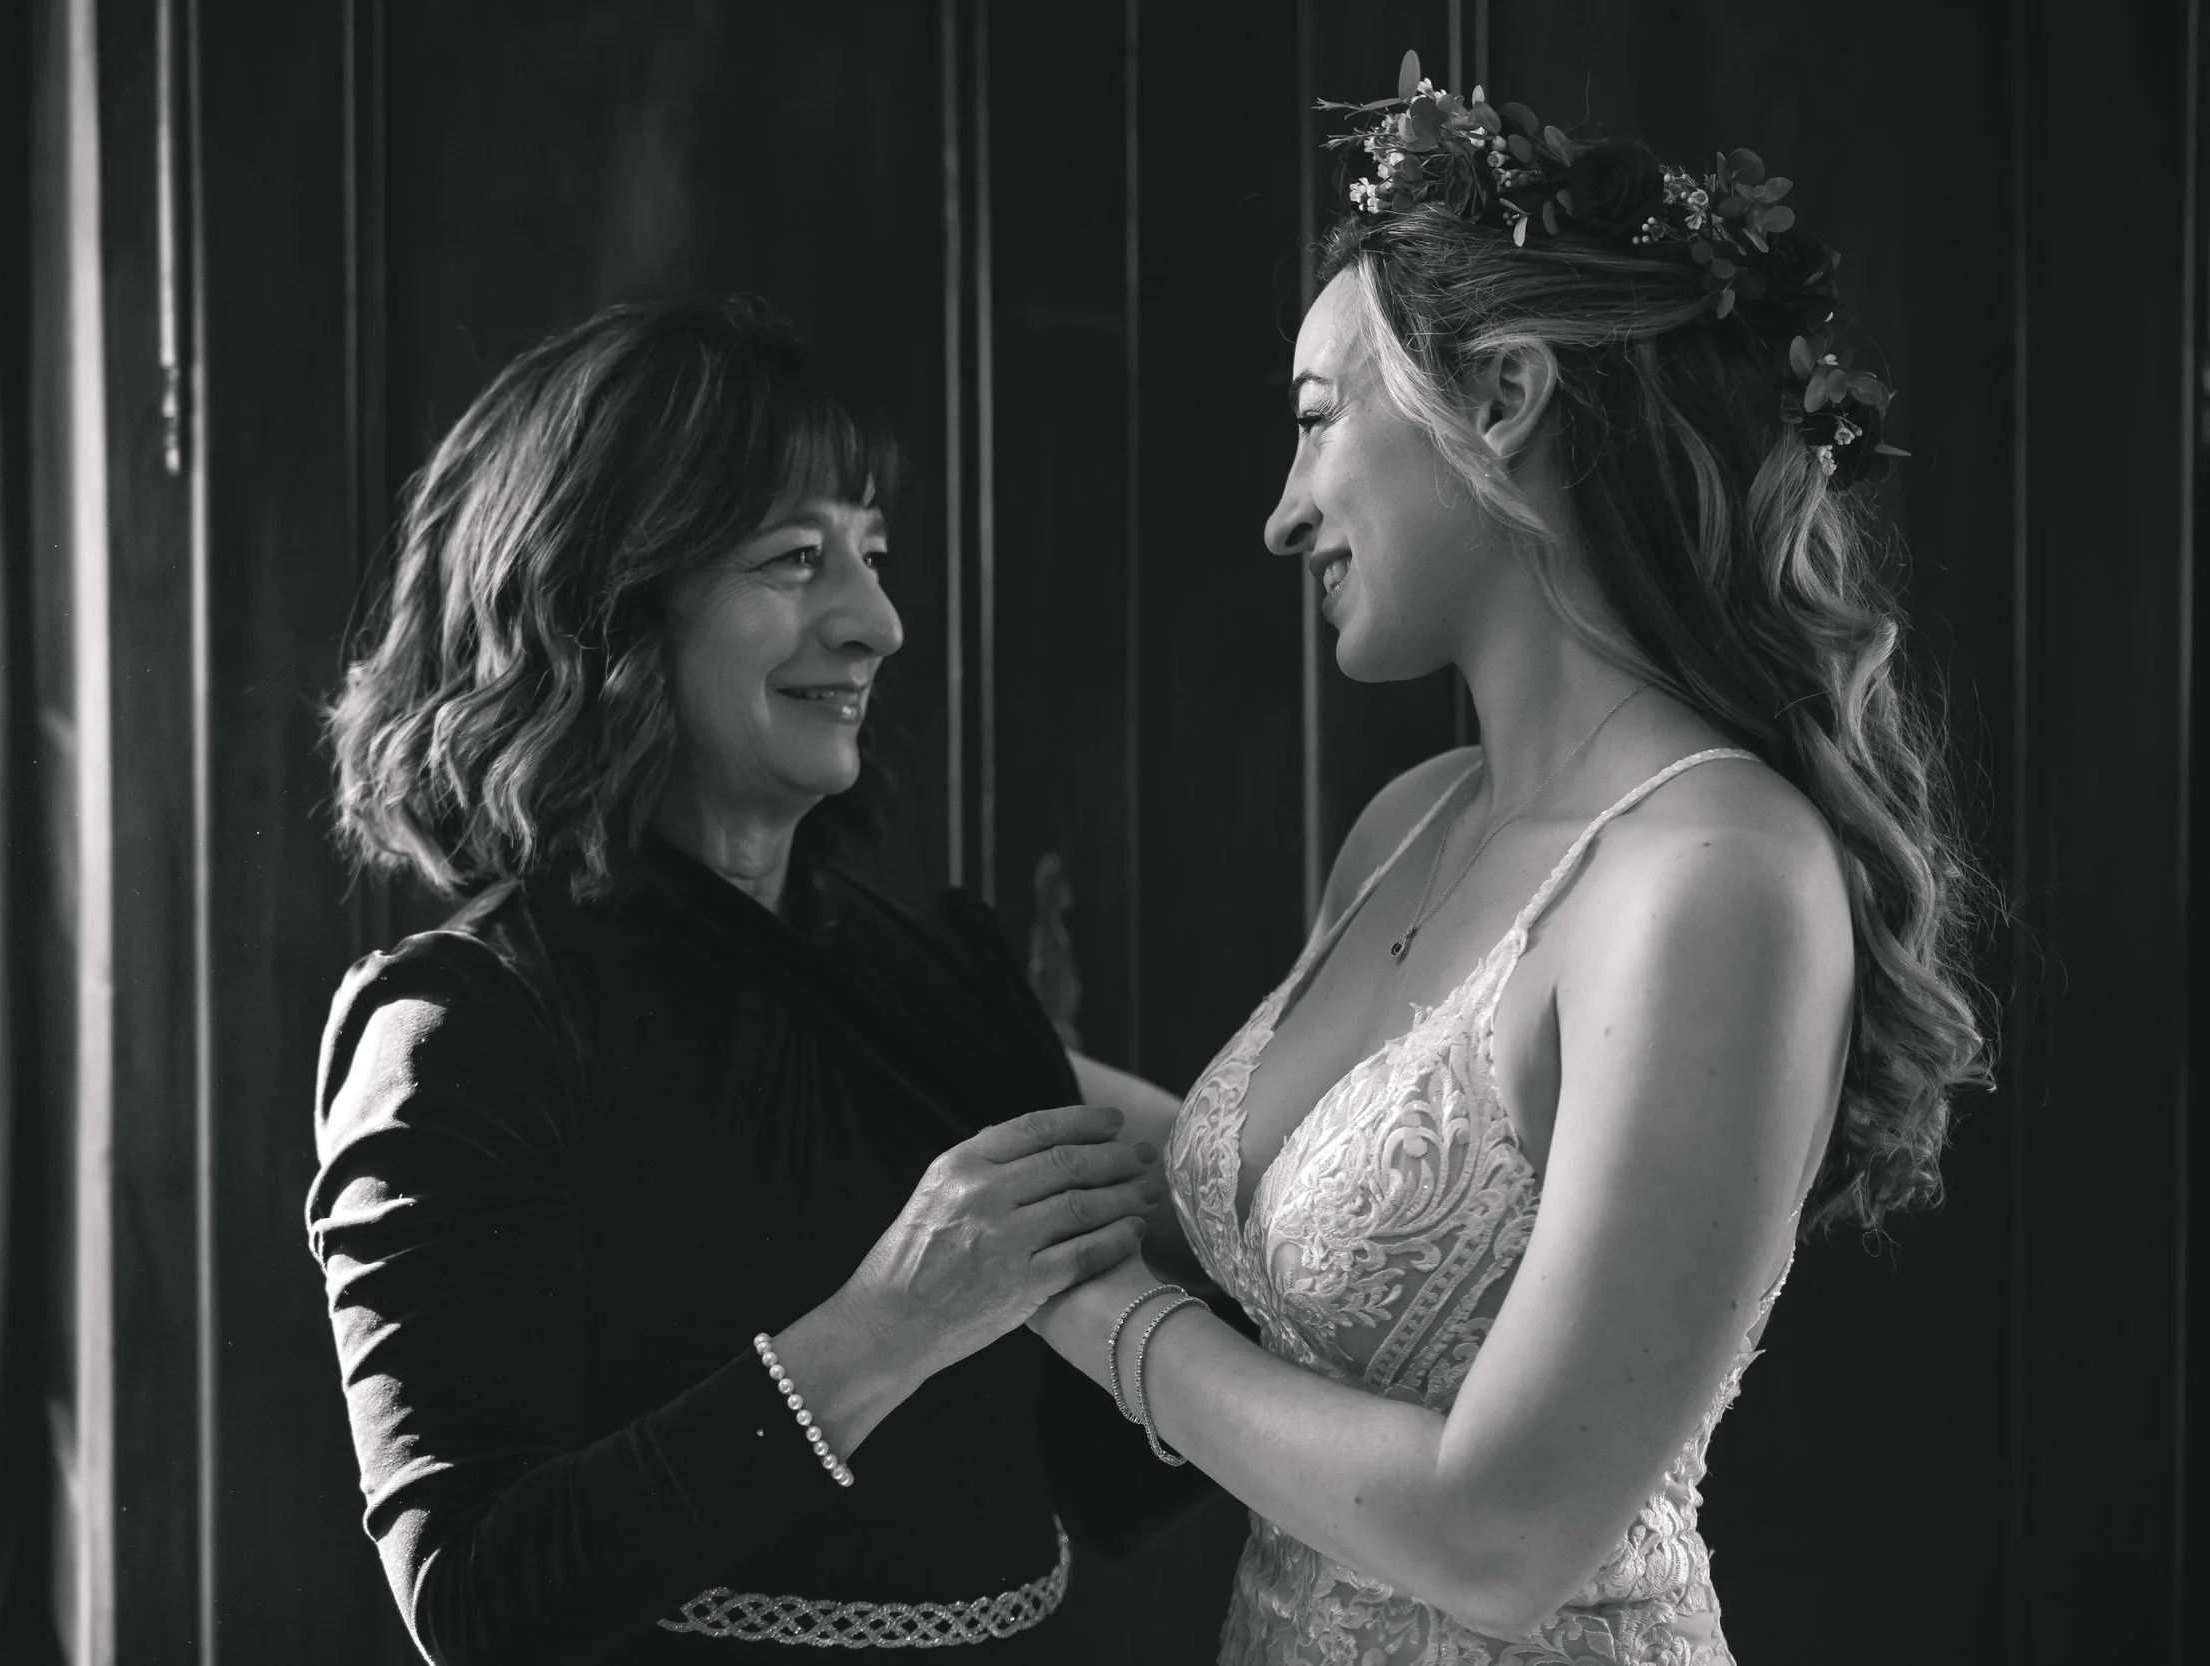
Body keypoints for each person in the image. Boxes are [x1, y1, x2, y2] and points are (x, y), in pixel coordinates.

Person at [1028, 64, 1990, 1665]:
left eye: (1316, 423)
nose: (1281, 516)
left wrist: (1086, 1309)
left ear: (1504, 397)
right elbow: (1323, 1208)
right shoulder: (1410, 818)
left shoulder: (1713, 873)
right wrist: (928, 1054)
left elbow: (1500, 1532)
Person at [306, 298, 1187, 1663]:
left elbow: (1115, 1470)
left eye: (874, 554)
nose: (879, 622)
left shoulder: (945, 972)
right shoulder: (462, 1025)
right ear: (608, 600)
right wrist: (886, 1327)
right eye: (795, 557)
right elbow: (478, 1597)